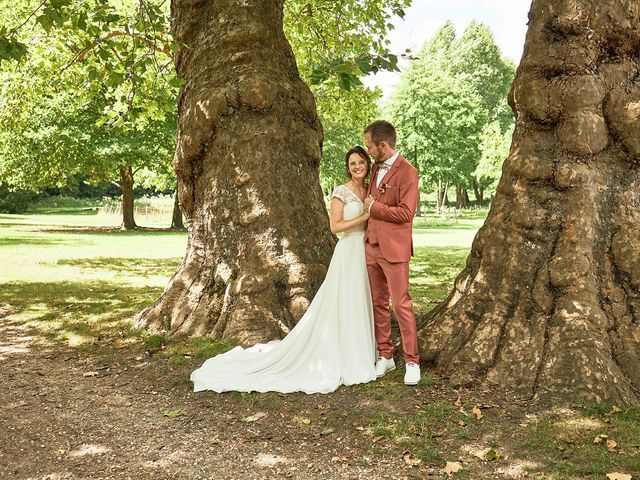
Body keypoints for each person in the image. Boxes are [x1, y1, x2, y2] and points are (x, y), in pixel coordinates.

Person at [191, 146, 377, 394]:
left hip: (366, 252)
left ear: (367, 164)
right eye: (352, 163)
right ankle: (344, 355)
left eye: (360, 162)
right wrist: (364, 217)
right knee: (344, 301)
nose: (357, 167)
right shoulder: (341, 192)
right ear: (348, 167)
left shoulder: (369, 190)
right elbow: (335, 227)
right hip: (348, 251)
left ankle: (363, 351)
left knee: (361, 300)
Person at [362, 120, 421, 386]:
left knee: (401, 305)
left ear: (383, 145)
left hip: (395, 250)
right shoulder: (375, 169)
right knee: (378, 304)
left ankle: (412, 361)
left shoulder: (408, 172)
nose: (369, 151)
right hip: (371, 247)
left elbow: (406, 213)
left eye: (370, 147)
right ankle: (386, 355)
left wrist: (375, 208)